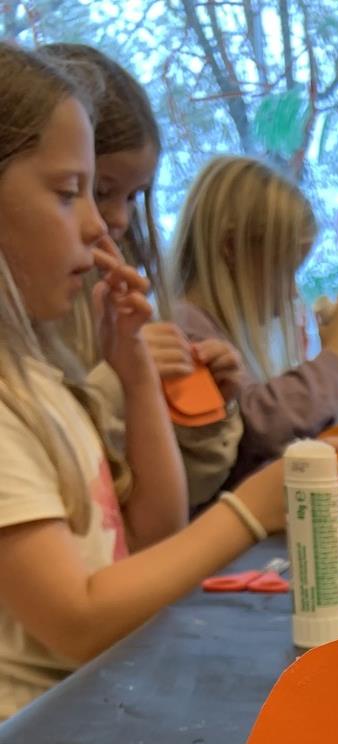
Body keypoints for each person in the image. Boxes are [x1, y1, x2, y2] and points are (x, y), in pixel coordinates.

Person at [0, 45, 338, 722]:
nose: (102, 226)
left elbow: (153, 534)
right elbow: (76, 621)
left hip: (79, 715)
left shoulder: (42, 380)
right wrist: (250, 512)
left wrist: (135, 373)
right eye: (71, 193)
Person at [37, 42, 244, 512]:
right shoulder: (35, 311)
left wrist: (206, 413)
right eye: (95, 190)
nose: (119, 219)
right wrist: (121, 383)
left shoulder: (121, 295)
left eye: (133, 197)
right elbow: (52, 482)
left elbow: (169, 506)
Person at [171, 155, 338, 488]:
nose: (293, 292)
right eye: (286, 271)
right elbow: (261, 426)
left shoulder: (214, 330)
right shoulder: (185, 330)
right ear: (232, 248)